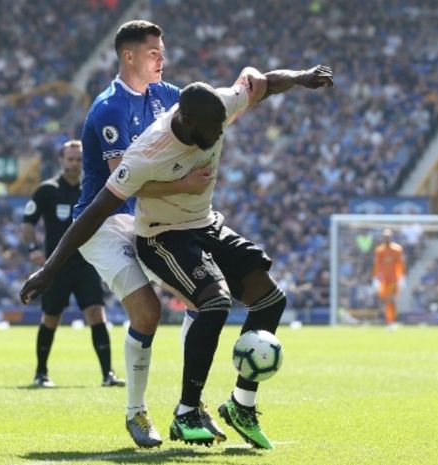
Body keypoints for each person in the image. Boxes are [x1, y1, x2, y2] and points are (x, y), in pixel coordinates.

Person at [20, 64, 333, 449]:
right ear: (185, 122)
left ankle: (241, 404)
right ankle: (187, 410)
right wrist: (49, 269)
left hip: (205, 224)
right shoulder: (146, 153)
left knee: (270, 299)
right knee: (214, 303)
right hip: (162, 237)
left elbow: (264, 84)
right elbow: (96, 211)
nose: (219, 135)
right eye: (212, 131)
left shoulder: (217, 105)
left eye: (221, 126)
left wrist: (301, 77)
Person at [61, 20, 216, 448]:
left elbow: (205, 106)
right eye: (153, 52)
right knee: (147, 312)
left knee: (203, 297)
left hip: (144, 219)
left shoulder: (166, 96)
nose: (162, 59)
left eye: (162, 51)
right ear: (129, 56)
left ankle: (190, 405)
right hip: (103, 225)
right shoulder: (108, 108)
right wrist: (184, 185)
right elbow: (121, 185)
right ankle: (136, 412)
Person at [21, 139, 125, 388]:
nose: (74, 163)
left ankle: (107, 374)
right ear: (61, 160)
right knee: (51, 318)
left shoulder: (92, 188)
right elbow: (27, 223)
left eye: (78, 159)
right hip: (55, 268)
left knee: (96, 314)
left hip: (86, 263)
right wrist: (33, 249)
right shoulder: (47, 190)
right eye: (70, 158)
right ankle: (41, 373)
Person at [372, 229, 406, 329]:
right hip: (384, 280)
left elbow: (400, 264)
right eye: (385, 237)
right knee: (386, 300)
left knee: (390, 299)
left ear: (391, 237)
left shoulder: (397, 249)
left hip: (393, 279)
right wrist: (376, 278)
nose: (387, 238)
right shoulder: (379, 250)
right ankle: (390, 320)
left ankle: (391, 321)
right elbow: (377, 265)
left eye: (388, 236)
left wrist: (401, 277)